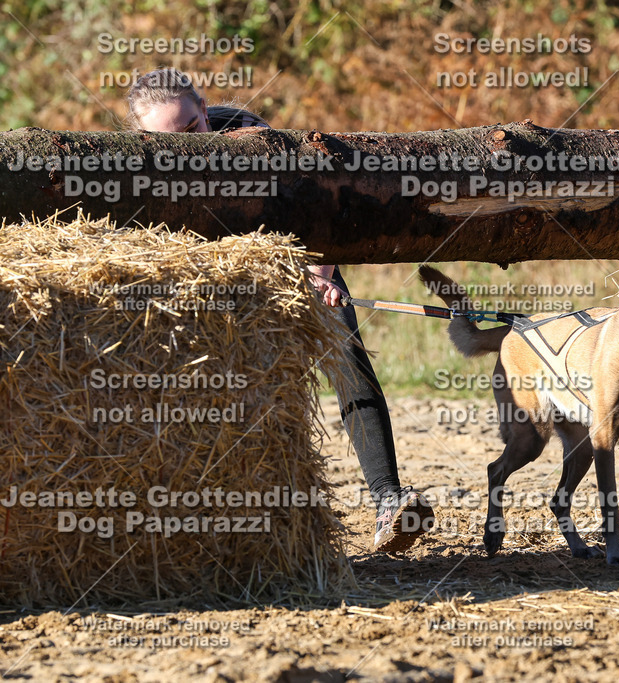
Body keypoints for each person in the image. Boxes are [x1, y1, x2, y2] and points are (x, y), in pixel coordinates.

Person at [126, 67, 434, 553]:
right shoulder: (131, 166)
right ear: (144, 138)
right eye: (172, 141)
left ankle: (388, 500)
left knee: (346, 354)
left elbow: (316, 211)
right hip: (208, 275)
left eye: (193, 128)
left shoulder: (253, 136)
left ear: (204, 109)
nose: (190, 146)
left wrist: (319, 274)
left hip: (291, 256)